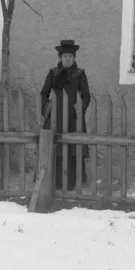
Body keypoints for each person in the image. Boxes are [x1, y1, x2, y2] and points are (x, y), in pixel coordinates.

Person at [40, 39, 92, 191]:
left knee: (73, 148)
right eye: (64, 56)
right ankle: (53, 181)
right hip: (55, 116)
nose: (67, 59)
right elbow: (44, 93)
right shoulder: (53, 73)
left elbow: (86, 95)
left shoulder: (80, 74)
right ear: (60, 57)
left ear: (74, 57)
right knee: (54, 147)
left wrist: (79, 110)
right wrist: (48, 108)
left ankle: (71, 182)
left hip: (73, 117)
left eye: (70, 56)